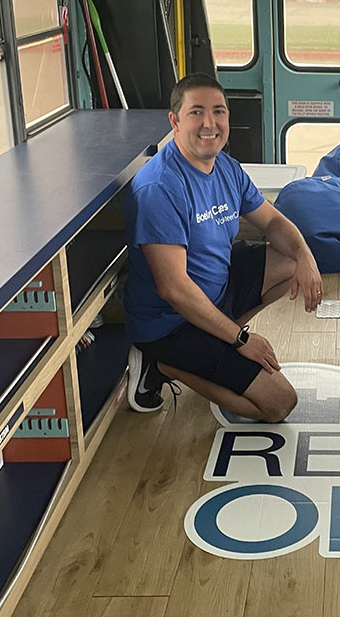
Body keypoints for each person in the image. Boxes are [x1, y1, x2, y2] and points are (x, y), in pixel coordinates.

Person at [122, 73, 323, 421]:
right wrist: (240, 340)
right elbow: (175, 289)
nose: (209, 123)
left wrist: (305, 255)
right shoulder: (160, 188)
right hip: (170, 323)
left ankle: (215, 342)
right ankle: (164, 365)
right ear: (175, 121)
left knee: (289, 261)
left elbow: (273, 222)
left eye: (218, 112)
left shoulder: (226, 168)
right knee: (279, 404)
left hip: (216, 291)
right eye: (196, 112)